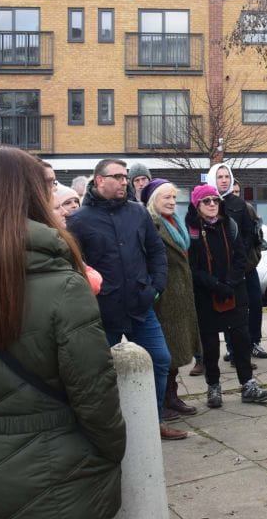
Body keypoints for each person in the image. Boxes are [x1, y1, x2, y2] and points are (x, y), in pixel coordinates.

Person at [0, 147, 126, 519]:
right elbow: (94, 393)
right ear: (31, 196)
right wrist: (115, 449)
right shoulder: (63, 284)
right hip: (58, 470)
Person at [67, 159, 185, 440]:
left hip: (140, 306)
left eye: (125, 177)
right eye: (117, 176)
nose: (124, 181)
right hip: (102, 312)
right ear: (99, 181)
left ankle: (153, 423)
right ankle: (105, 430)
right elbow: (73, 265)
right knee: (99, 374)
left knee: (160, 360)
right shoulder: (79, 220)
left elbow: (157, 253)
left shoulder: (137, 213)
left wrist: (155, 287)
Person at [187, 184, 267, 408]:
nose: (213, 205)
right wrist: (215, 285)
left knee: (241, 341)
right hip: (206, 295)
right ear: (197, 205)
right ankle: (213, 387)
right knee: (210, 345)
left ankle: (248, 385)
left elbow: (240, 258)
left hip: (234, 292)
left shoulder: (230, 225)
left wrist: (229, 283)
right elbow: (193, 268)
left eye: (215, 200)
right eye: (207, 201)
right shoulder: (192, 231)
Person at [142, 178, 200, 420]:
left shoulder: (175, 222)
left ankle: (172, 397)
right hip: (164, 297)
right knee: (164, 352)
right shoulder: (151, 224)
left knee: (176, 350)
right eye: (166, 197)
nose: (172, 202)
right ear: (153, 200)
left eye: (174, 197)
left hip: (181, 295)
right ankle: (163, 401)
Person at [207, 163, 267, 359]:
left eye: (227, 176)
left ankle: (254, 342)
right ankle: (232, 348)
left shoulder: (240, 204)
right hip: (222, 269)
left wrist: (240, 251)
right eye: (220, 177)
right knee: (228, 306)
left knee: (254, 303)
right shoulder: (208, 202)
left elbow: (251, 233)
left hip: (245, 266)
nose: (224, 180)